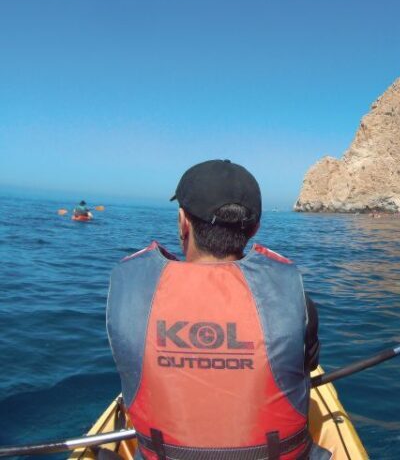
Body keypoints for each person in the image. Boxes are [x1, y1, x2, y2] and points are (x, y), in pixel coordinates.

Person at [106, 159, 327, 460]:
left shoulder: (130, 291)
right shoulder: (296, 298)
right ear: (255, 228)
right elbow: (308, 366)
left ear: (183, 220)